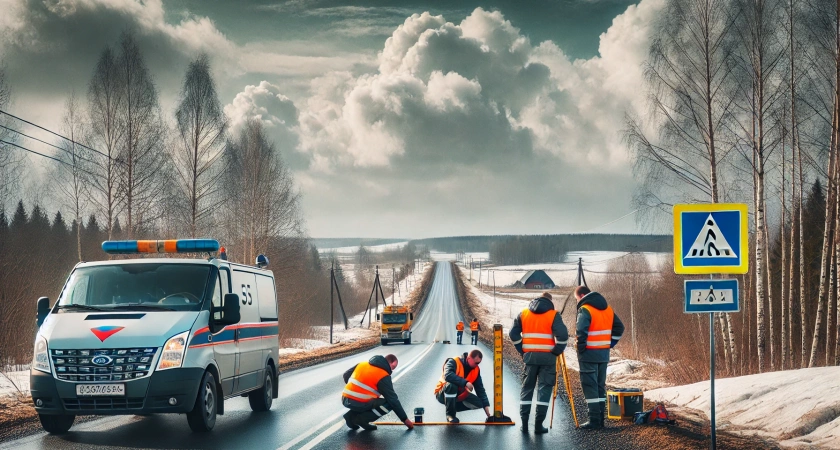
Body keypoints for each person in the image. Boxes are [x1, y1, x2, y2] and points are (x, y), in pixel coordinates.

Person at [509, 291, 568, 434]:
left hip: (529, 357)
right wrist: (557, 350)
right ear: (550, 301)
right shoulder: (553, 315)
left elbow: (512, 333)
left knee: (527, 388)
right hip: (548, 358)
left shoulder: (524, 314)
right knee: (545, 389)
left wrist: (522, 349)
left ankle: (524, 424)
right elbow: (563, 335)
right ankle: (538, 425)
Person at [574, 285, 624, 430]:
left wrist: (581, 347)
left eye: (576, 299)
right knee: (599, 387)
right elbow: (620, 327)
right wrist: (610, 343)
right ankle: (600, 419)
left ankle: (594, 420)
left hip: (589, 354)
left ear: (582, 296)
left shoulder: (585, 309)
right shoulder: (608, 309)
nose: (577, 302)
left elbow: (581, 330)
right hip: (603, 354)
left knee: (590, 387)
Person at [342, 354, 414, 431]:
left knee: (370, 401)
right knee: (389, 404)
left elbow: (346, 375)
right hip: (358, 402)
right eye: (392, 368)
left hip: (345, 398)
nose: (391, 371)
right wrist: (405, 420)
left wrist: (354, 389)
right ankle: (362, 420)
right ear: (389, 364)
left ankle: (350, 416)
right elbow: (393, 400)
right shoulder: (383, 376)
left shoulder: (362, 364)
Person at [433, 349, 492, 423]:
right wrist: (465, 383)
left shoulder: (476, 370)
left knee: (480, 403)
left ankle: (452, 407)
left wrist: (486, 407)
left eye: (479, 363)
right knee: (452, 385)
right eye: (476, 362)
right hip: (442, 393)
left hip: (459, 394)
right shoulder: (453, 361)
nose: (477, 365)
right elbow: (448, 375)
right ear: (469, 358)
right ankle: (450, 415)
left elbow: (480, 389)